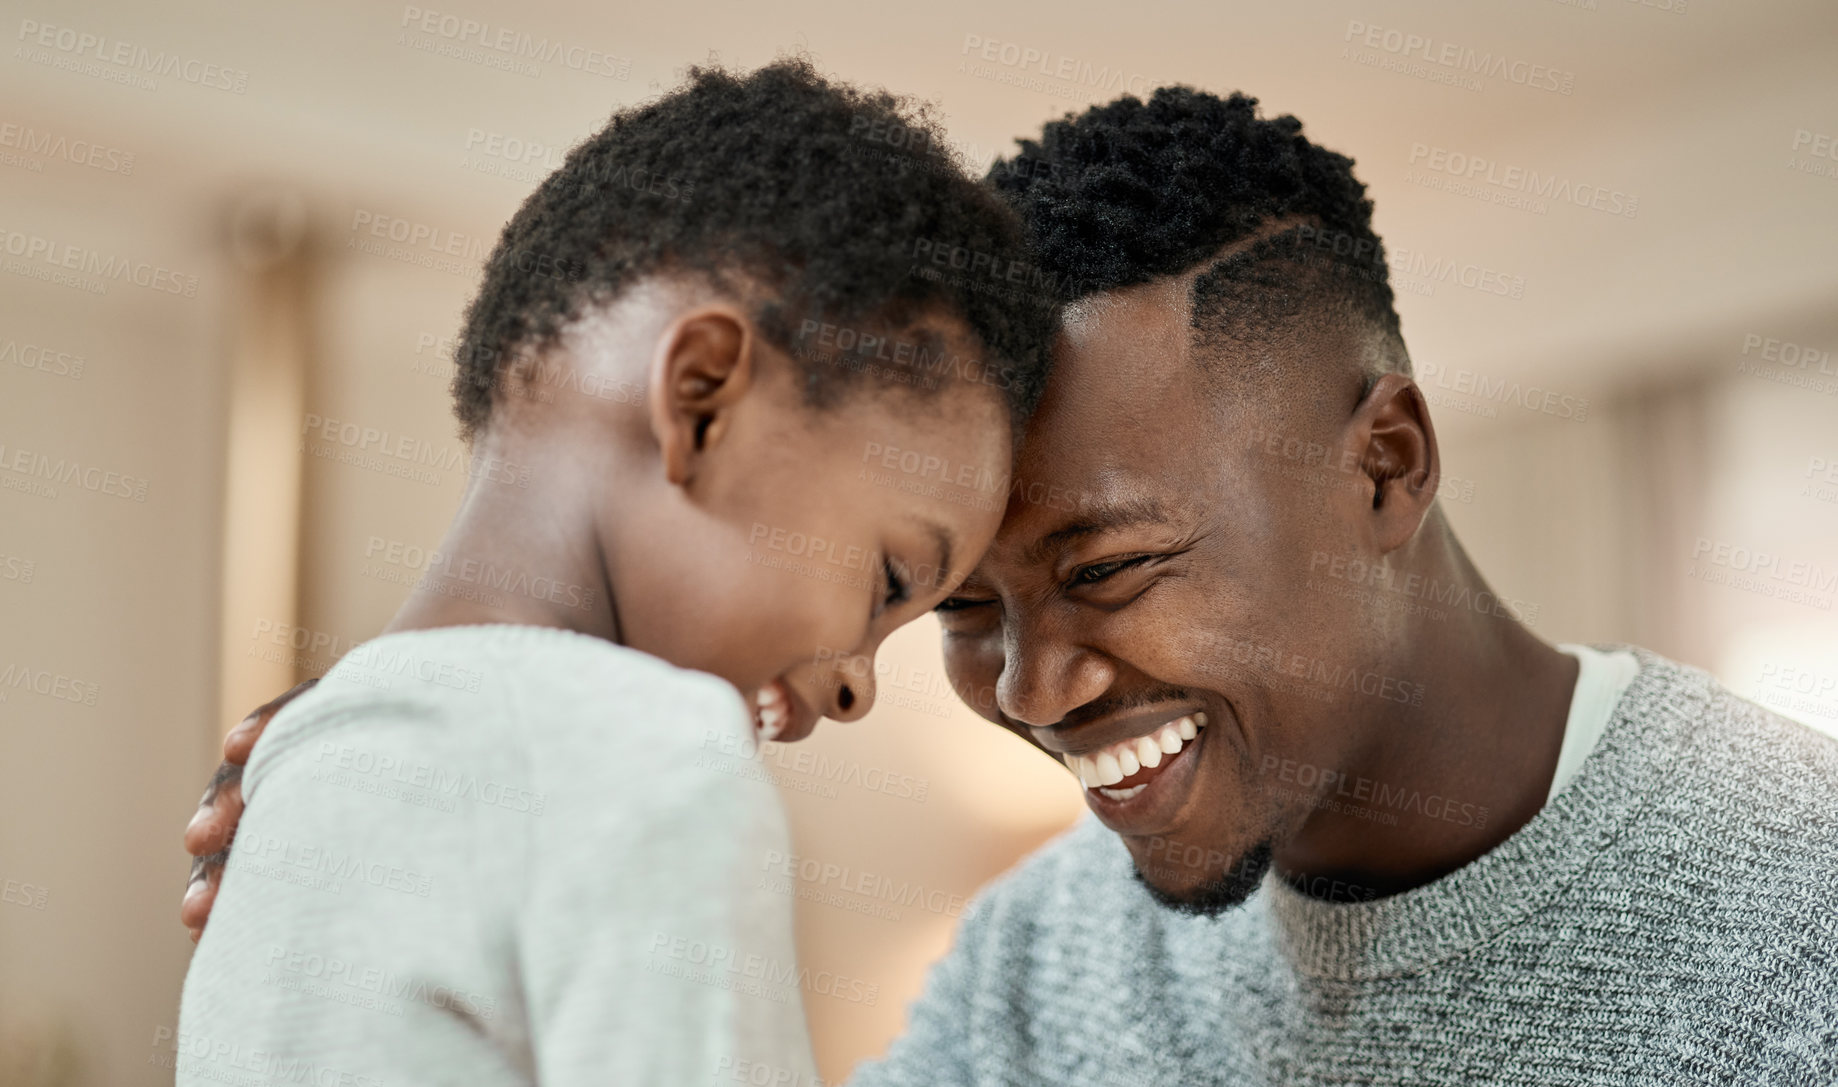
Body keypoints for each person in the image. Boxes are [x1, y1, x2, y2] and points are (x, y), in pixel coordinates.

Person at [185, 87, 1838, 1085]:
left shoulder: (1793, 902)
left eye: (1111, 565)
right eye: (960, 607)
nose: (1033, 692)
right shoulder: (1039, 968)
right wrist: (426, 797)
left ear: (1384, 464)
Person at [174, 59, 1052, 1087]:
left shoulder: (294, 771)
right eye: (891, 582)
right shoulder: (654, 760)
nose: (858, 685)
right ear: (701, 398)